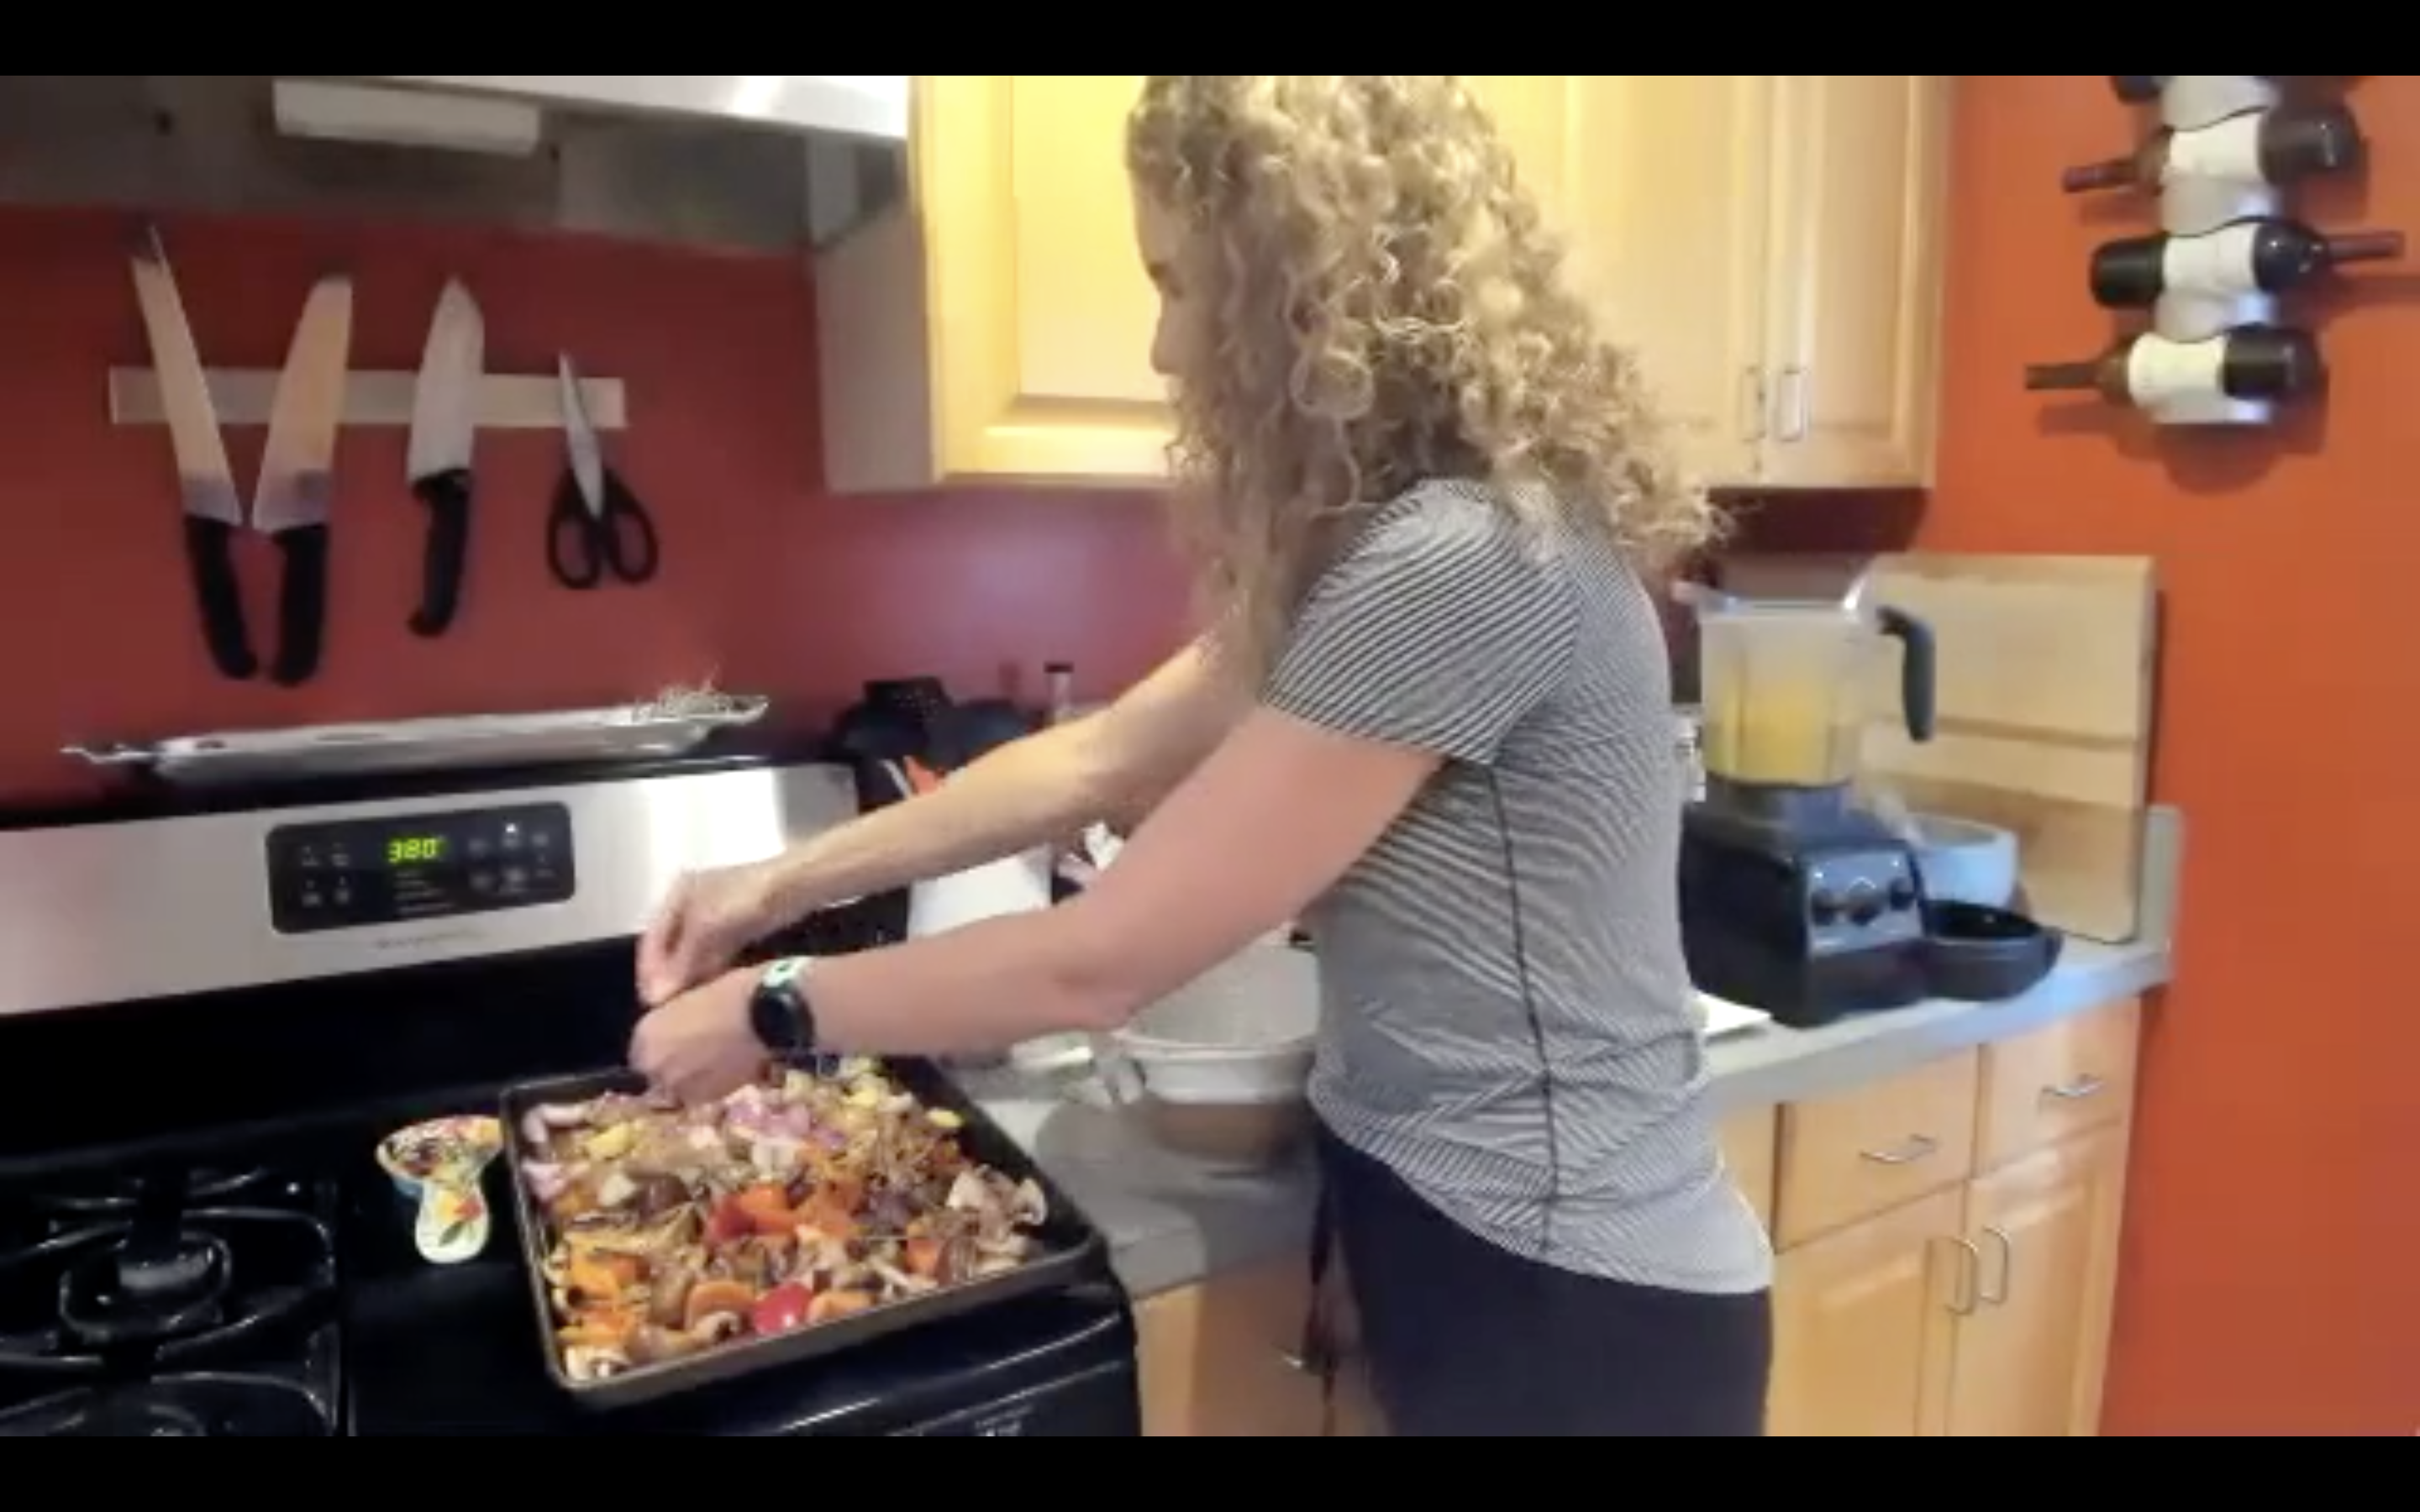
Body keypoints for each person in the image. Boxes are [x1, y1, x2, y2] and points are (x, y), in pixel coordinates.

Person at [630, 76, 1770, 1437]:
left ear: (1306, 286)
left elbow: (1098, 959)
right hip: (1485, 1239)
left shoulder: (1464, 559)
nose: (1168, 348)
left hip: (1571, 1292)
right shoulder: (1388, 548)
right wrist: (778, 884)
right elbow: (1104, 759)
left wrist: (775, 1008)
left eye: (1182, 286)